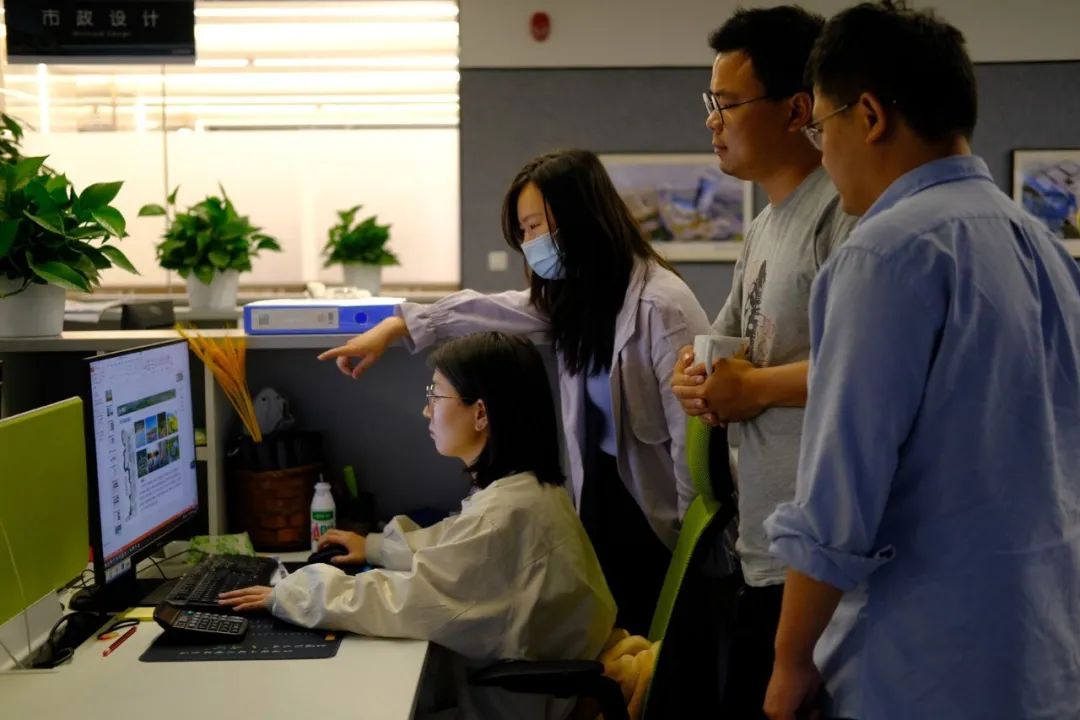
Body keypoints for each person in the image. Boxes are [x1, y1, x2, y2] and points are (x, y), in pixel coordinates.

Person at [762, 3, 1080, 719]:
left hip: (920, 665)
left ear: (869, 115)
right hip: (1044, 654)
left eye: (820, 127)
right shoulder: (1043, 247)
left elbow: (837, 501)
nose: (822, 153)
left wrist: (788, 665)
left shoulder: (884, 255)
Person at [317, 149, 711, 635]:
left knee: (659, 647)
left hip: (658, 515)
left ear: (579, 216)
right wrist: (398, 325)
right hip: (604, 499)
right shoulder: (579, 299)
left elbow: (693, 441)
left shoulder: (661, 305)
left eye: (534, 226)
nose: (529, 243)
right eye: (522, 232)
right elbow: (494, 309)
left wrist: (696, 548)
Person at [221, 332, 616, 720]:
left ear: (480, 413)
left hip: (508, 708)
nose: (427, 411)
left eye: (435, 396)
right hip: (534, 696)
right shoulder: (528, 491)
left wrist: (293, 593)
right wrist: (375, 547)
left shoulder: (500, 518)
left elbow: (402, 601)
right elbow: (455, 546)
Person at [668, 7, 856, 716]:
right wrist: (693, 377)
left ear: (797, 110)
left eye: (727, 103)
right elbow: (719, 346)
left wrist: (753, 388)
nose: (711, 120)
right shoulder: (764, 226)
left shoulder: (843, 214)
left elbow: (869, 370)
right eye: (709, 102)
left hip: (819, 562)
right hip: (760, 542)